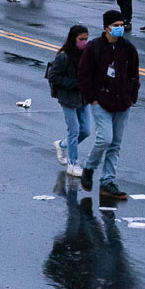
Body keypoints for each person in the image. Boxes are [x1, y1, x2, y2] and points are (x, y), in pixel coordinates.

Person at [77, 10, 140, 201]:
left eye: (122, 25)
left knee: (115, 144)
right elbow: (84, 75)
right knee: (105, 138)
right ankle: (89, 168)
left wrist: (131, 97)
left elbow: (134, 74)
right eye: (116, 25)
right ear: (106, 28)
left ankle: (107, 182)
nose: (120, 28)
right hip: (101, 102)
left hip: (123, 103)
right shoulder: (94, 48)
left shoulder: (128, 48)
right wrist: (93, 99)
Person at [45, 24, 90, 177]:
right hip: (68, 98)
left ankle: (62, 145)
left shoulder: (86, 54)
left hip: (83, 97)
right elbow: (53, 76)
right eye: (81, 39)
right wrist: (74, 83)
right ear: (73, 39)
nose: (84, 42)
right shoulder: (64, 56)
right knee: (74, 130)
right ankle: (72, 164)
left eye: (86, 39)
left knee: (85, 130)